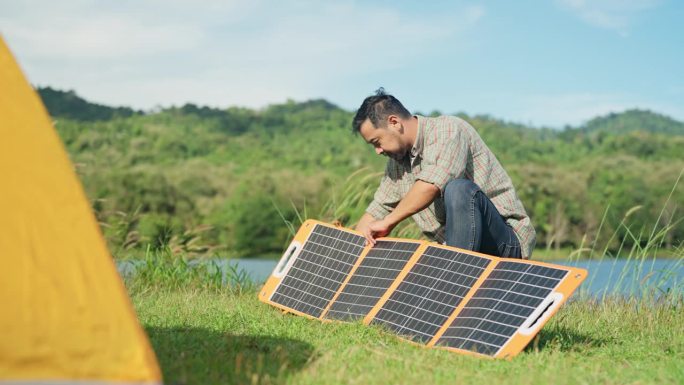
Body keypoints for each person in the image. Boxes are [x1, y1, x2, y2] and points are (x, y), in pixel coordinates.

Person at [353, 88, 536, 259]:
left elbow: (431, 185)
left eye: (377, 142)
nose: (377, 151)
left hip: (503, 242)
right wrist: (350, 252)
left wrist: (389, 222)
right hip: (454, 249)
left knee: (458, 190)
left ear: (394, 122)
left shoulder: (447, 130)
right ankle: (451, 273)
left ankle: (454, 279)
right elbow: (377, 210)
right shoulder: (397, 165)